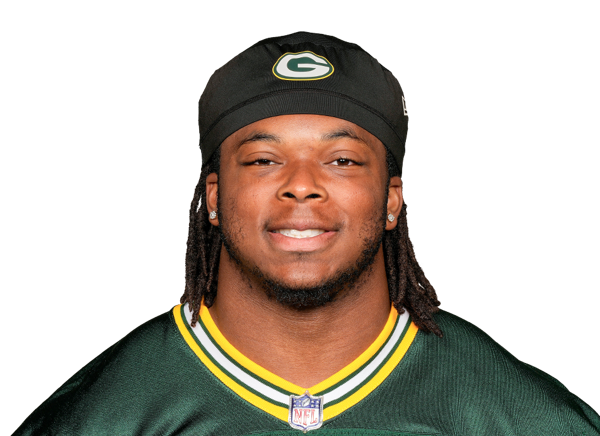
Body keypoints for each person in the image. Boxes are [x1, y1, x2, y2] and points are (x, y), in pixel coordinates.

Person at [14, 32, 599, 435]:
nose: (301, 185)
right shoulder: (98, 418)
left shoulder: (522, 416)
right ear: (213, 198)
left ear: (392, 200)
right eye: (263, 160)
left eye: (342, 160)